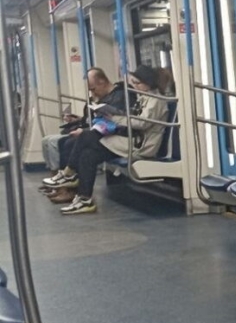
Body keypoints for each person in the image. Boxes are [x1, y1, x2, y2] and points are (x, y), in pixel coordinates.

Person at [45, 65, 168, 216]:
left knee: (86, 136)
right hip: (131, 140)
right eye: (134, 83)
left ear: (149, 83)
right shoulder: (144, 97)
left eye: (138, 83)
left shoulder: (156, 101)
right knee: (88, 155)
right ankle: (85, 199)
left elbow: (142, 123)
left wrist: (114, 118)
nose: (134, 86)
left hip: (141, 145)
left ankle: (68, 173)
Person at [41, 67, 127, 182]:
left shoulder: (119, 96)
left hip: (110, 135)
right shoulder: (100, 97)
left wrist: (85, 129)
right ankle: (65, 181)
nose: (92, 92)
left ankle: (67, 181)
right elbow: (91, 118)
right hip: (95, 130)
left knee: (68, 143)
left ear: (102, 82)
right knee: (58, 141)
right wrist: (79, 121)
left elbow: (112, 122)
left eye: (93, 89)